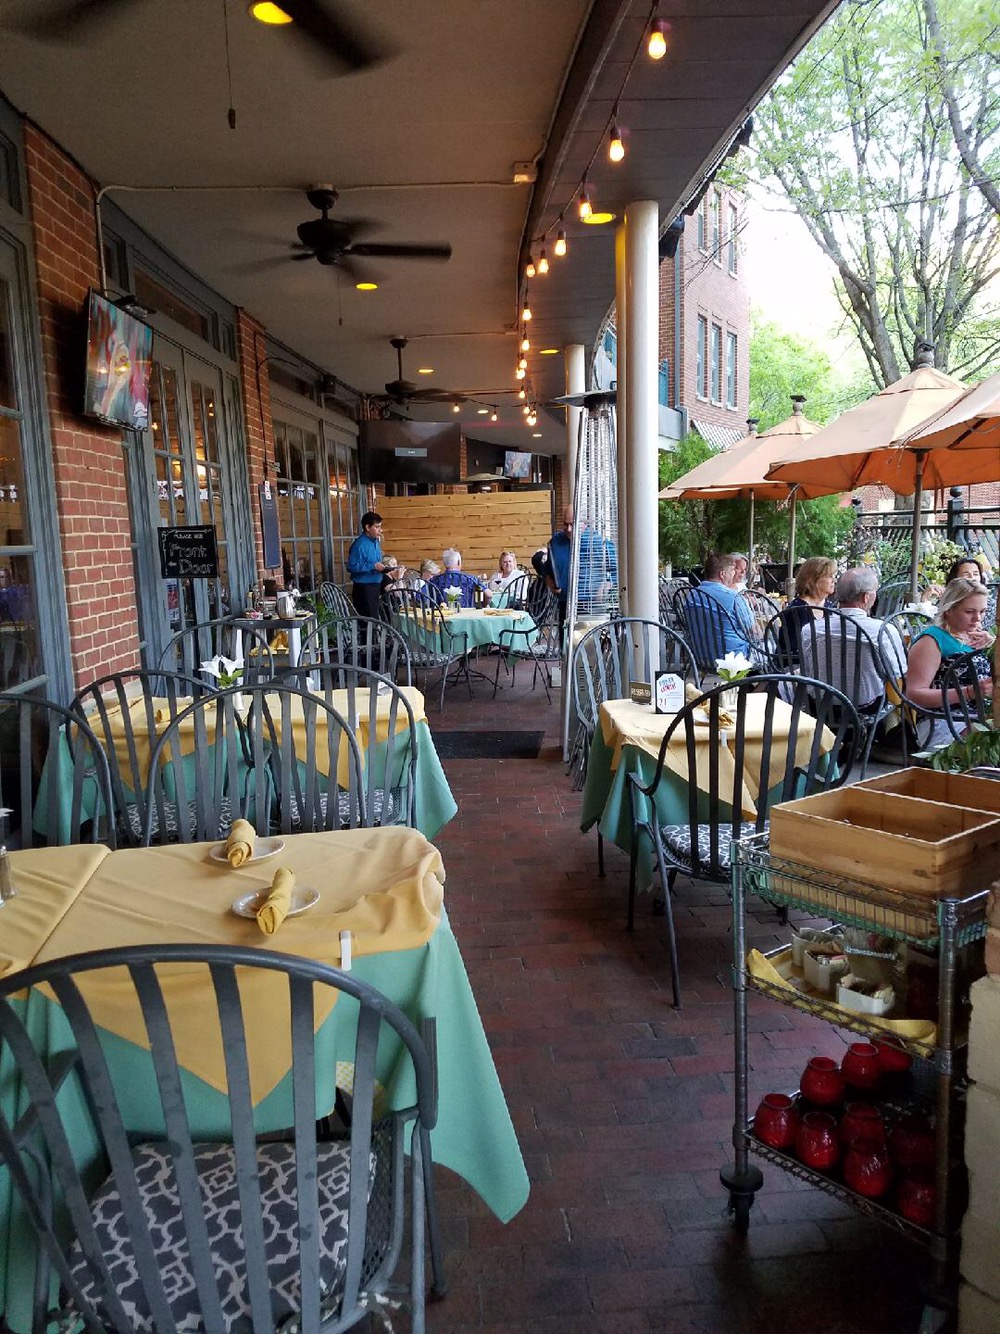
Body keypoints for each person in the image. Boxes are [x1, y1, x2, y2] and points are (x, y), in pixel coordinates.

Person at [800, 567, 905, 712]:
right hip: (865, 710)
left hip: (819, 709)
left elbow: (807, 670)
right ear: (866, 597)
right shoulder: (882, 630)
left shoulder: (810, 629)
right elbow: (896, 673)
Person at [906, 576, 994, 744]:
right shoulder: (932, 640)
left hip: (979, 717)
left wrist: (994, 646)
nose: (978, 618)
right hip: (944, 722)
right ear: (949, 610)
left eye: (982, 611)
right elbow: (914, 695)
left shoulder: (979, 637)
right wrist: (969, 692)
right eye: (969, 612)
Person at [685, 551, 757, 658]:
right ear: (722, 574)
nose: (733, 574)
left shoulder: (691, 596)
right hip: (734, 658)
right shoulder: (734, 598)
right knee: (774, 647)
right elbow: (754, 632)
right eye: (732, 570)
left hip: (701, 657)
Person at [778, 556, 837, 663]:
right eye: (829, 576)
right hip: (796, 666)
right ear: (812, 580)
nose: (834, 580)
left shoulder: (829, 606)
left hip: (823, 664)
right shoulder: (796, 610)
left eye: (834, 576)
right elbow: (791, 650)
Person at [345, 511, 386, 619]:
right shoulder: (359, 545)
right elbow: (351, 566)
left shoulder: (376, 541)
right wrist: (372, 566)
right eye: (377, 527)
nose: (380, 530)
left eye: (380, 527)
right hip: (364, 589)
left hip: (376, 586)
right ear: (367, 527)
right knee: (369, 623)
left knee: (377, 620)